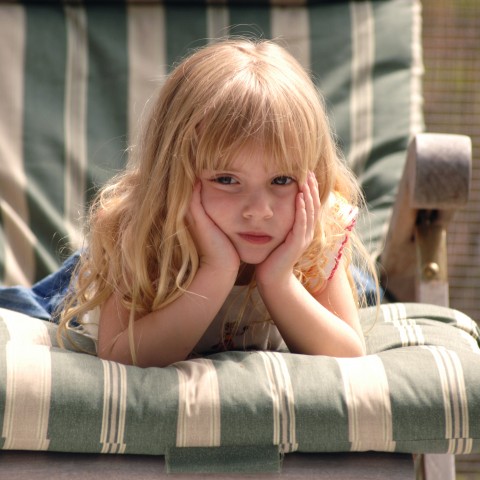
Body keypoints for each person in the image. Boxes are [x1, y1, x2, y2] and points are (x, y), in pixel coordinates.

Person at [57, 38, 379, 368]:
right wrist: (217, 270)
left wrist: (278, 281)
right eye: (226, 180)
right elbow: (119, 354)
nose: (259, 210)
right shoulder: (141, 231)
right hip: (108, 267)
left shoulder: (317, 231)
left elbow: (349, 356)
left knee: (365, 287)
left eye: (281, 180)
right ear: (175, 176)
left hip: (293, 255)